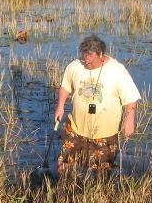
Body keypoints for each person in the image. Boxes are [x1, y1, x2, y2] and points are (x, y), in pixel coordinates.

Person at [54, 35, 141, 173]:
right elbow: (65, 86)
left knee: (102, 171)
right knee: (64, 163)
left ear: (100, 54)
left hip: (105, 133)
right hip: (76, 128)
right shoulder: (74, 66)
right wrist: (60, 106)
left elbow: (130, 97)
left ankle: (99, 192)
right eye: (84, 56)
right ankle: (64, 189)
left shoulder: (117, 71)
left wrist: (130, 119)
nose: (86, 60)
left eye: (90, 56)